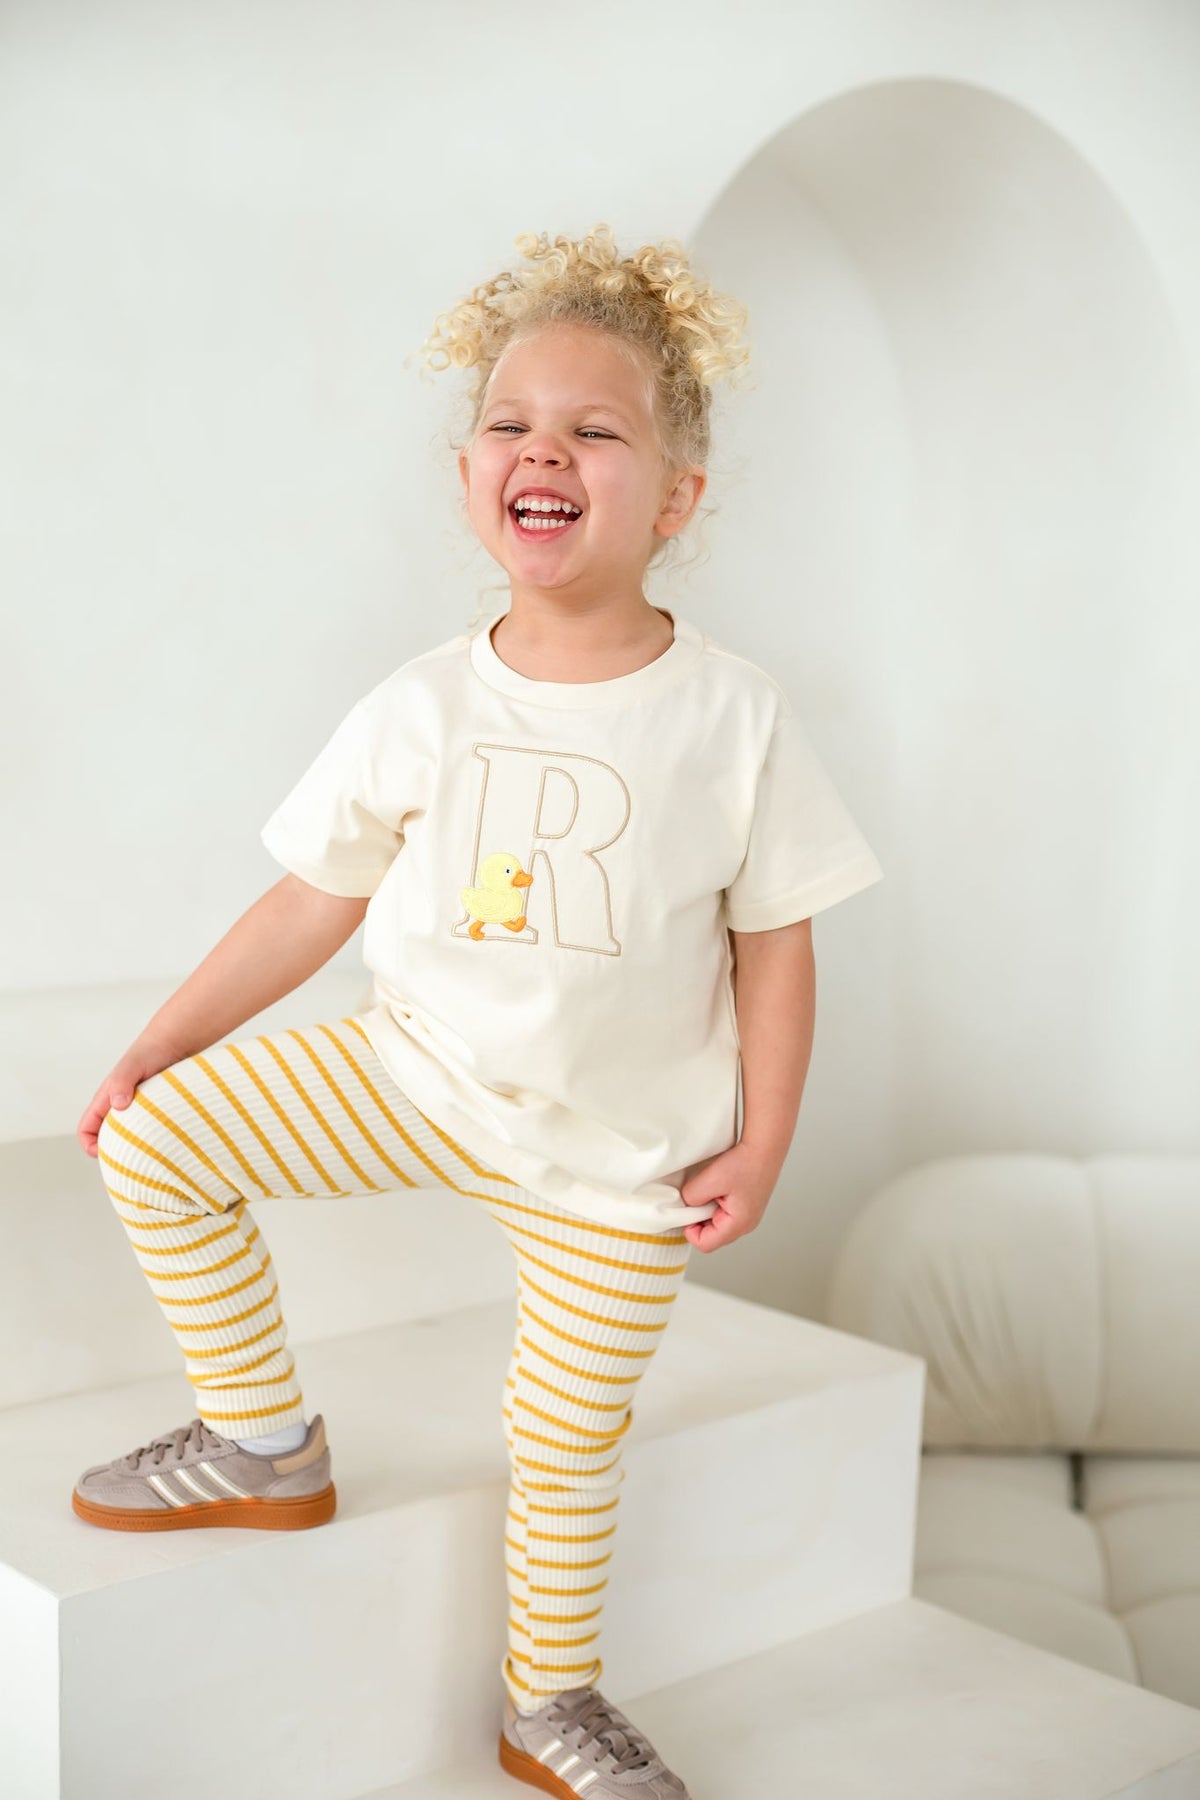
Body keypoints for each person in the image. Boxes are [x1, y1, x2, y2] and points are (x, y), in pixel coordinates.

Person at [72, 224, 883, 1798]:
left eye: (595, 430)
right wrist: (163, 1043)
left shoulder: (733, 716)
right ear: (470, 481)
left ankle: (547, 1701)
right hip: (416, 1074)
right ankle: (261, 1442)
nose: (545, 451)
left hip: (618, 1159)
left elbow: (776, 939)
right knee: (158, 1144)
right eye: (512, 424)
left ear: (677, 497)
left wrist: (764, 1137)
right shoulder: (424, 704)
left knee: (565, 1439)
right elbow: (311, 899)